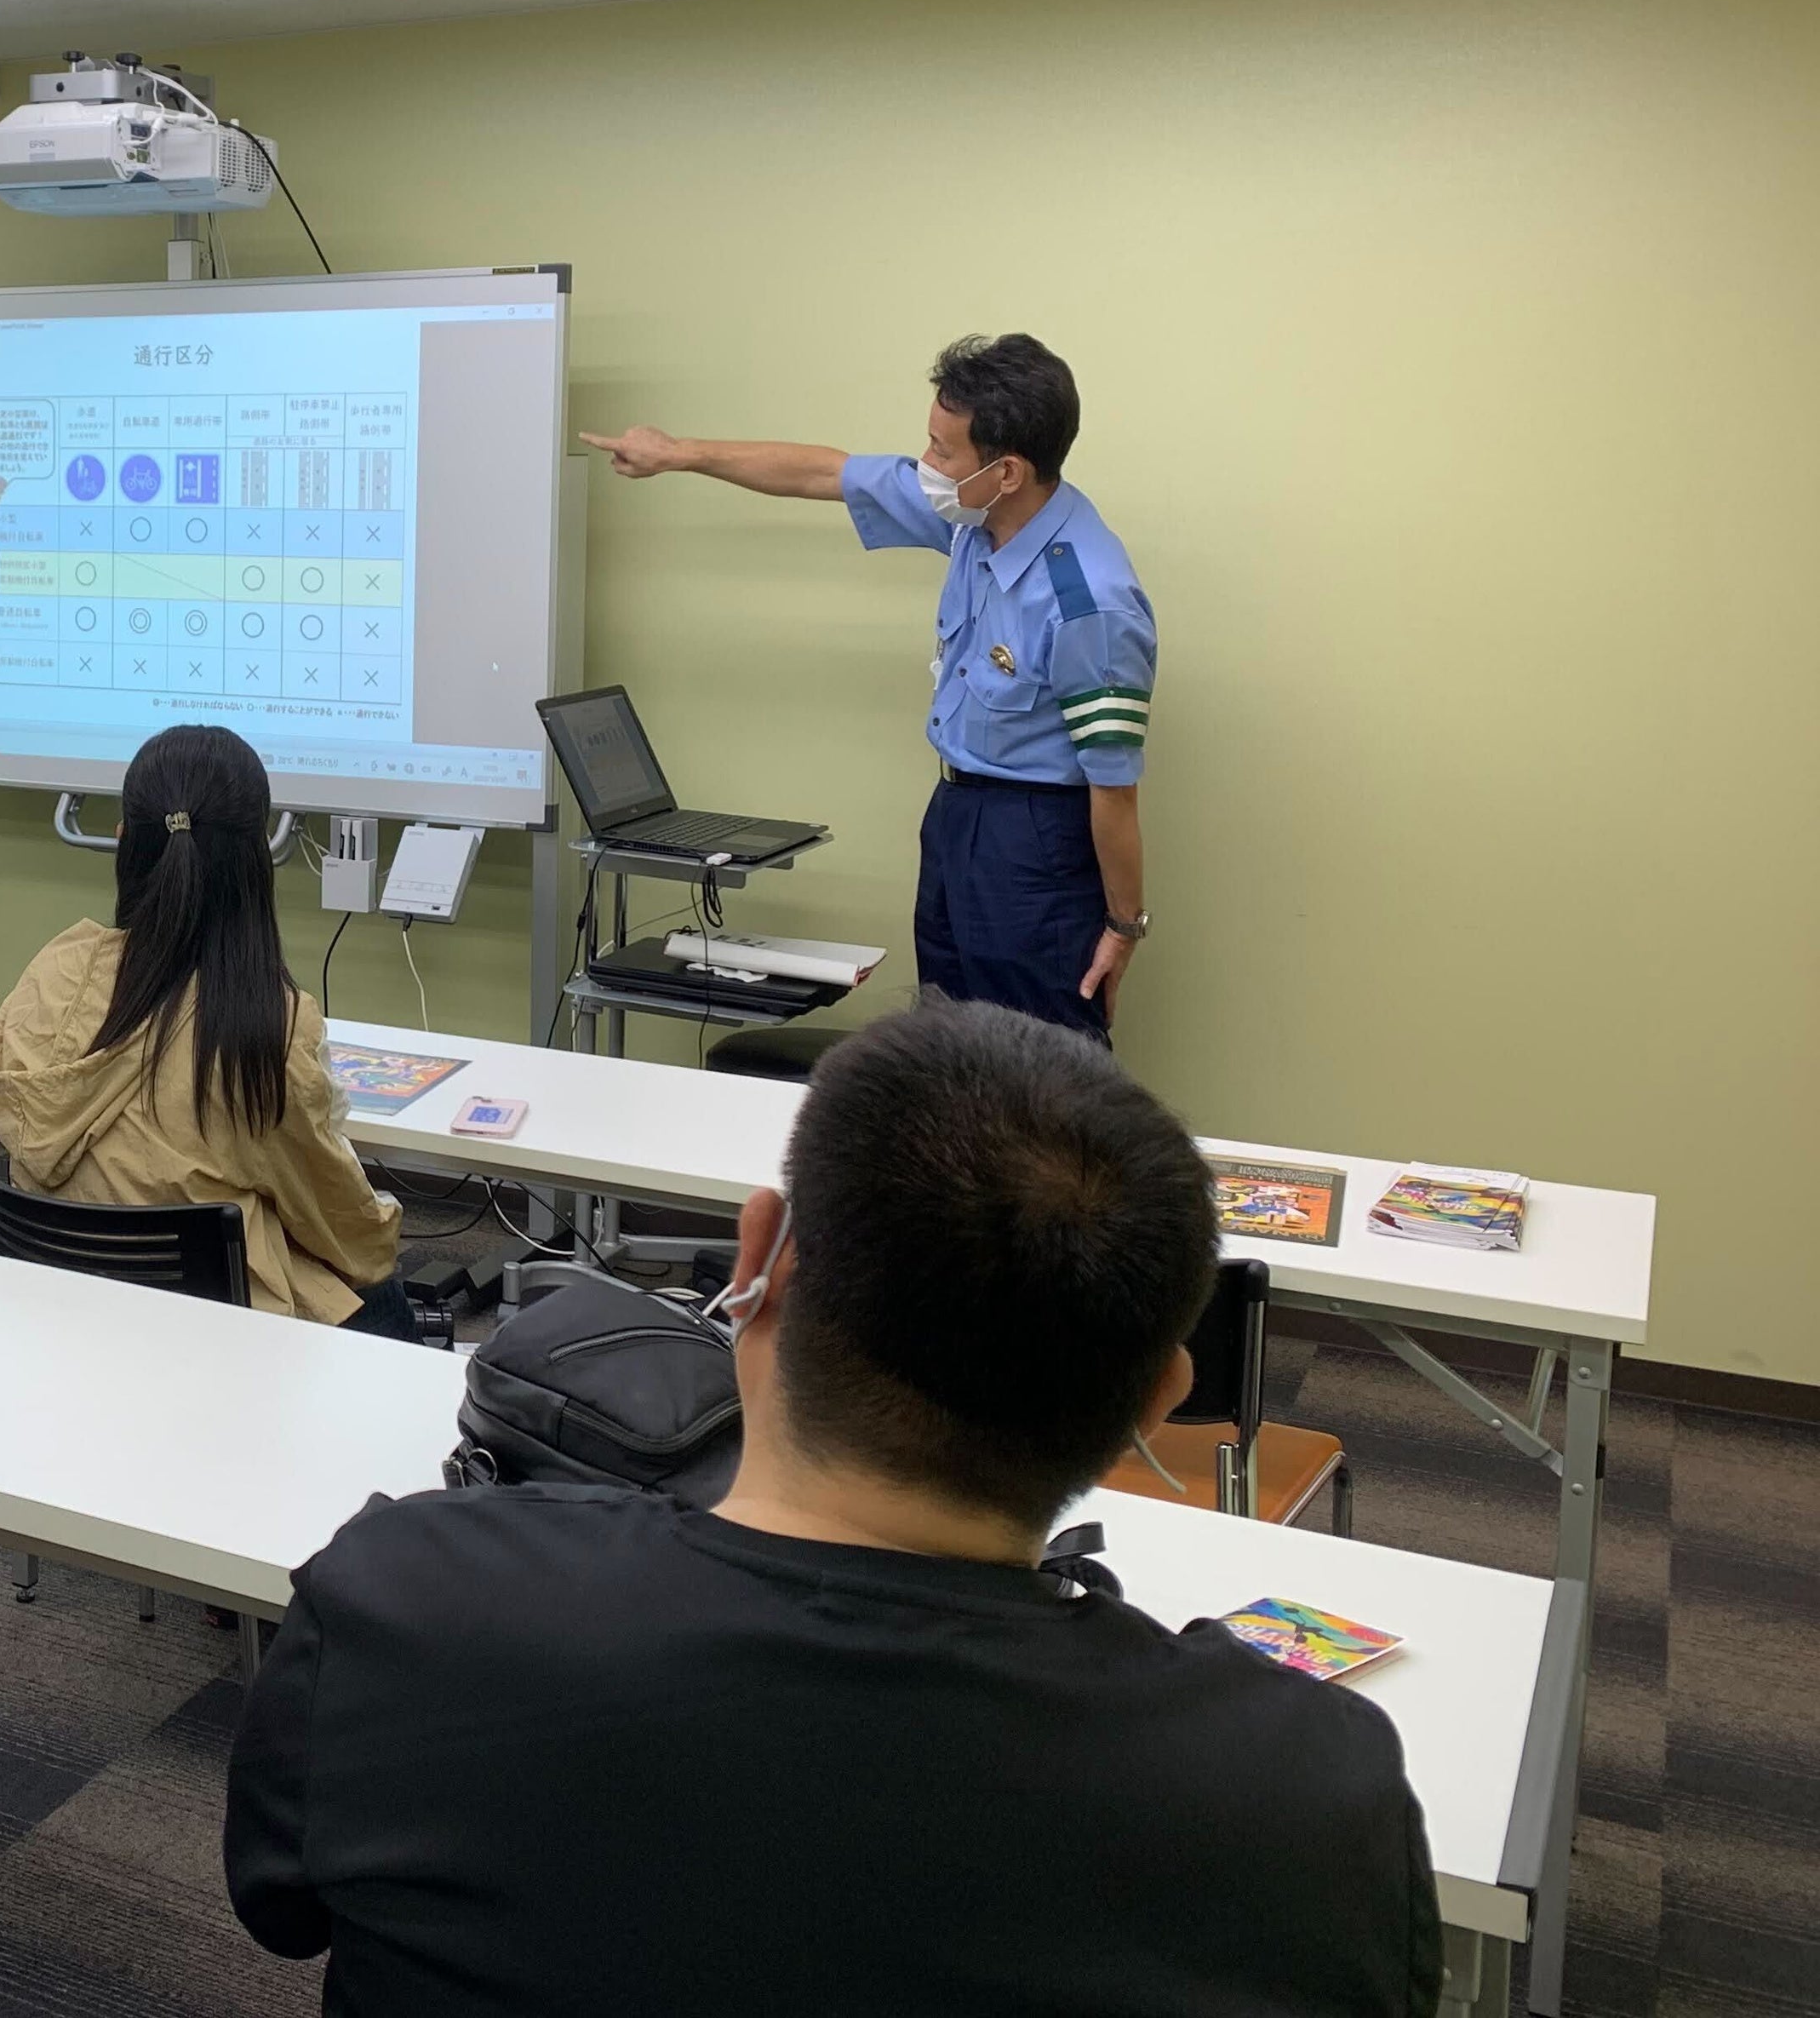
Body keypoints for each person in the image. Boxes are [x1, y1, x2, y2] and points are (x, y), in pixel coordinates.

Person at [225, 996, 1439, 2016]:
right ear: (1164, 1398)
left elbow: (278, 1911)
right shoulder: (1313, 1803)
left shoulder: (403, 1599)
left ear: (759, 1260)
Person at [584, 333, 1154, 1036]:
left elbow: (1114, 788)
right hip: (956, 815)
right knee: (945, 1050)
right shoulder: (978, 516)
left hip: (1034, 842)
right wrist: (679, 453)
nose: (926, 465)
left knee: (1039, 1067)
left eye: (942, 451)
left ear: (1007, 471)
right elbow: (827, 473)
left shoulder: (1088, 600)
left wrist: (1123, 925)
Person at [0, 725, 407, 1333]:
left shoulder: (55, 970)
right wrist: (381, 1235)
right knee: (384, 1295)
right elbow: (343, 1231)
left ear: (123, 841)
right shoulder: (263, 1029)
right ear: (257, 859)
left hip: (61, 1324)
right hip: (221, 1347)